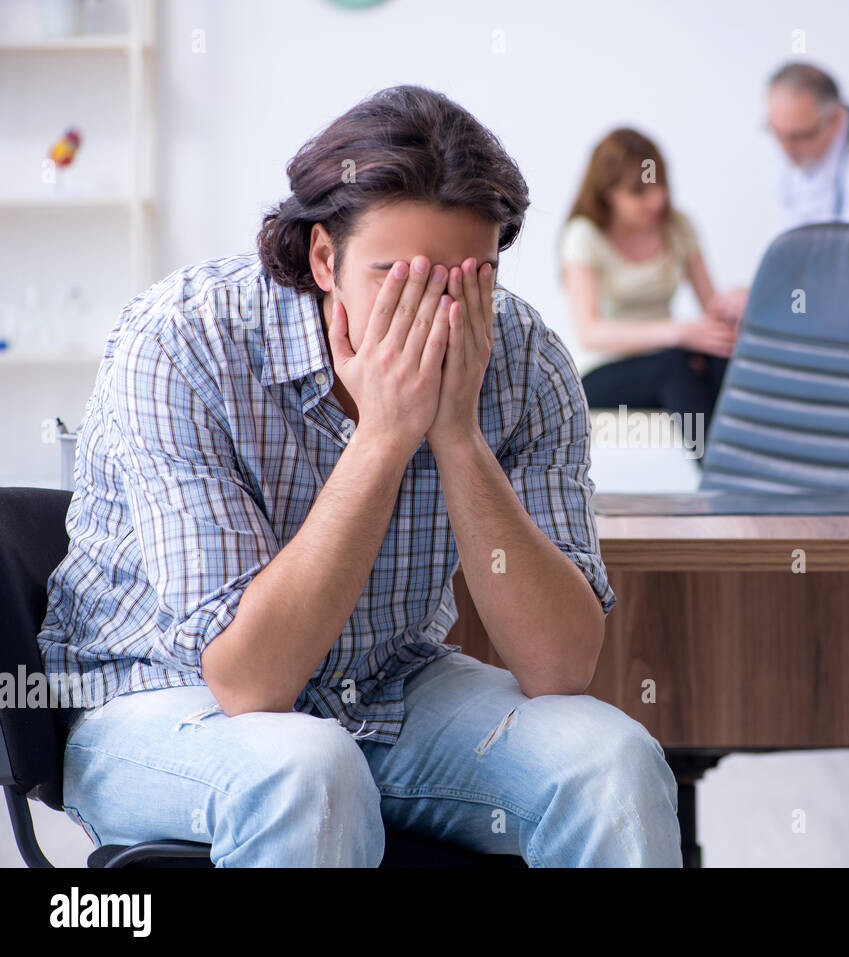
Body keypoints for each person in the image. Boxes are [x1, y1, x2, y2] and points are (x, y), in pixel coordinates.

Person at [36, 85, 681, 867]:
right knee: (309, 770)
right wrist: (383, 434)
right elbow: (251, 682)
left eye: (464, 282)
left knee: (611, 760)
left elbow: (560, 666)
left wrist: (457, 434)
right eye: (397, 278)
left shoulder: (523, 358)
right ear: (322, 258)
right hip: (162, 700)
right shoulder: (182, 340)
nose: (431, 315)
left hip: (385, 686)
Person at [559, 128, 739, 460]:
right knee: (674, 365)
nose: (656, 199)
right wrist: (678, 333)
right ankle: (721, 473)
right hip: (605, 370)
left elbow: (711, 307)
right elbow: (591, 332)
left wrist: (739, 306)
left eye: (659, 184)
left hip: (670, 361)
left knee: (721, 352)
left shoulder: (678, 226)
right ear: (608, 193)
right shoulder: (584, 236)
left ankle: (759, 461)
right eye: (638, 191)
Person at [707, 61, 849, 325]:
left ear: (834, 118)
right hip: (823, 298)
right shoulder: (791, 146)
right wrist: (760, 291)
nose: (785, 149)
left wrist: (766, 295)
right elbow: (795, 240)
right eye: (776, 133)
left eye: (799, 137)